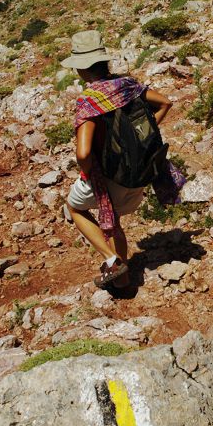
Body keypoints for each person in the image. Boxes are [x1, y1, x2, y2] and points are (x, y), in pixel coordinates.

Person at [62, 30, 185, 289]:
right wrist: (142, 139)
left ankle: (112, 261)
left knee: (74, 208)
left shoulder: (90, 101)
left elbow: (83, 153)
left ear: (81, 69)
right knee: (114, 217)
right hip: (139, 173)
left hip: (109, 175)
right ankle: (122, 280)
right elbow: (165, 103)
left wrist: (89, 174)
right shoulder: (127, 85)